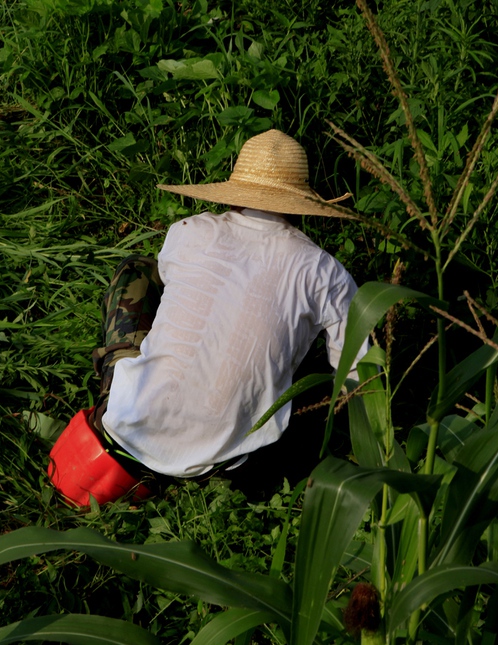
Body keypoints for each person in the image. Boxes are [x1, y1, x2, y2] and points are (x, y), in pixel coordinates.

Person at [48, 129, 367, 506]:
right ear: (301, 203)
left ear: (233, 191)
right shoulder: (325, 272)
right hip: (238, 468)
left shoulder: (190, 231)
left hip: (125, 427)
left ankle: (118, 385)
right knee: (319, 369)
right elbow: (359, 375)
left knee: (137, 269)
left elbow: (172, 290)